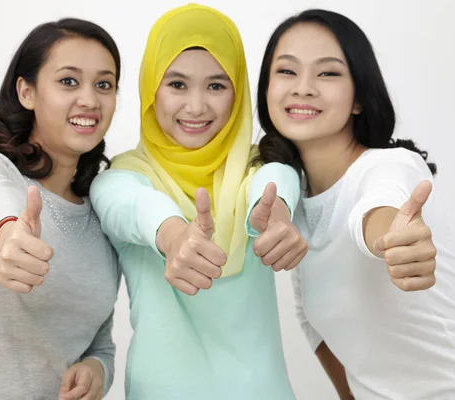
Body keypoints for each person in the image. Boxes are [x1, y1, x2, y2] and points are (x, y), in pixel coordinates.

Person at [255, 9, 455, 400]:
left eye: (327, 73)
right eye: (287, 72)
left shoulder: (390, 165)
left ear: (359, 98)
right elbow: (316, 328)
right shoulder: (298, 205)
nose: (303, 88)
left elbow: (378, 212)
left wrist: (394, 240)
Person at [90, 4, 306, 399]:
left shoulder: (256, 168)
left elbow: (277, 179)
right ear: (151, 88)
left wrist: (278, 213)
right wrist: (173, 236)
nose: (196, 106)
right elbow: (129, 207)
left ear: (238, 92)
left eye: (217, 85)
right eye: (176, 84)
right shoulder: (122, 177)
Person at [0, 18, 121, 400]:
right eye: (68, 81)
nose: (90, 99)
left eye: (104, 84)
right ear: (26, 91)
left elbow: (101, 343)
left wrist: (97, 370)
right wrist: (10, 234)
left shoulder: (101, 216)